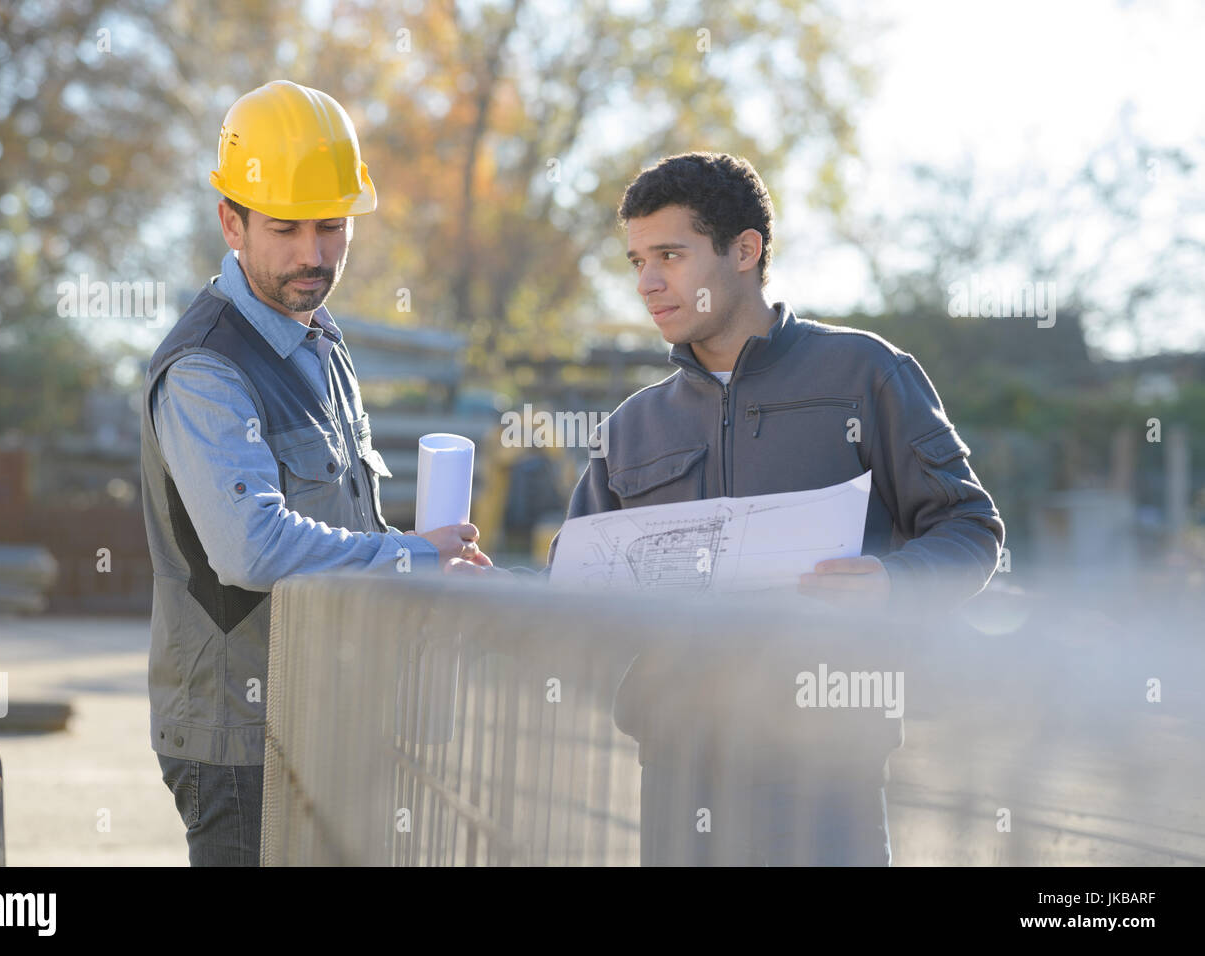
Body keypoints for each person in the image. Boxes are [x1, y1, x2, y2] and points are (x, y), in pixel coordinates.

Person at [541, 151, 1006, 864]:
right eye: (636, 260)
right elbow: (573, 579)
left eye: (670, 254)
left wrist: (891, 583)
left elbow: (971, 528)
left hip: (828, 767)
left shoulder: (865, 373)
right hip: (678, 765)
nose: (648, 282)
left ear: (744, 251)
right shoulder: (633, 427)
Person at [138, 80, 491, 866]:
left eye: (332, 226)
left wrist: (429, 554)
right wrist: (412, 558)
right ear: (231, 222)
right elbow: (252, 548)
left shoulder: (320, 343)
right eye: (286, 227)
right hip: (241, 740)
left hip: (324, 718)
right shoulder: (205, 367)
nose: (314, 253)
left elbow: (340, 530)